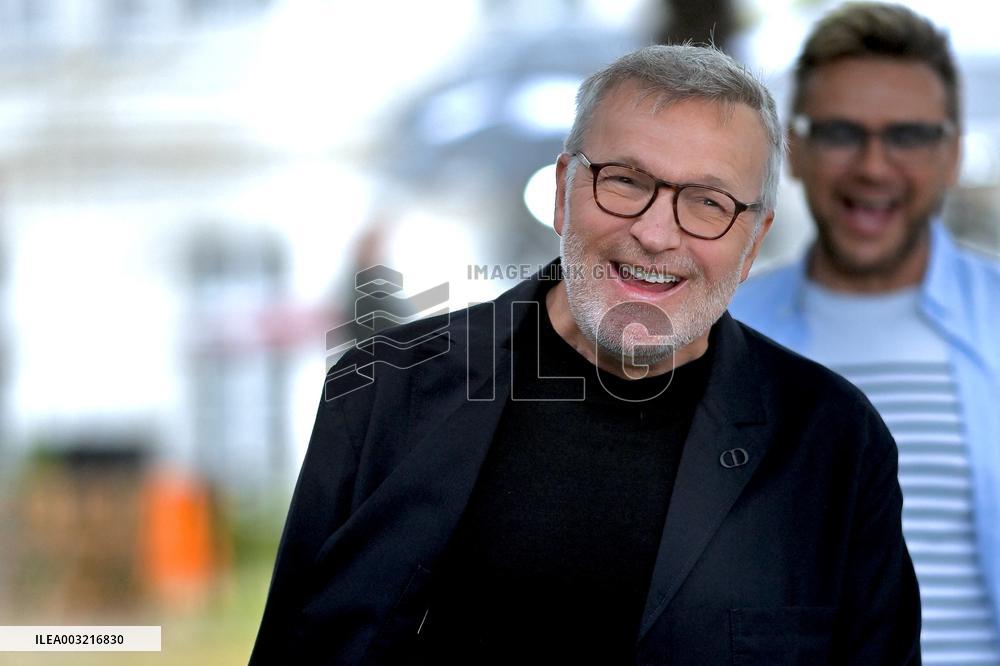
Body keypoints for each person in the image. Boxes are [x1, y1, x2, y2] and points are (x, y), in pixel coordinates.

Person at [251, 44, 920, 664]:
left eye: (708, 202)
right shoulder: (383, 390)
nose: (656, 234)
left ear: (752, 242)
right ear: (562, 191)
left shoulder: (834, 440)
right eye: (625, 181)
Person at [729, 3, 1000, 663]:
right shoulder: (721, 332)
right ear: (794, 151)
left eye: (909, 136)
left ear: (952, 155)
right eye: (841, 133)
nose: (873, 167)